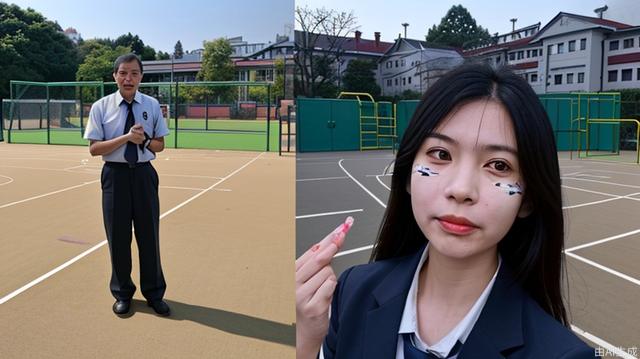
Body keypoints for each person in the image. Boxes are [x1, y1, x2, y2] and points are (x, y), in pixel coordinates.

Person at [296, 63, 597, 358]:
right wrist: (305, 343)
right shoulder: (353, 293)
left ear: (527, 200)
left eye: (499, 165)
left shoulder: (564, 355)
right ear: (408, 174)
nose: (462, 189)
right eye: (440, 154)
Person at [84, 53, 171, 317]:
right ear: (115, 76)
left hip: (144, 175)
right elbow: (94, 149)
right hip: (115, 176)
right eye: (123, 73)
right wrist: (125, 138)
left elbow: (160, 145)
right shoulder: (101, 106)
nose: (128, 78)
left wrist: (142, 141)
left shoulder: (152, 105)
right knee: (118, 238)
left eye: (134, 73)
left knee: (149, 236)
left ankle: (154, 293)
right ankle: (122, 293)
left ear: (141, 77)